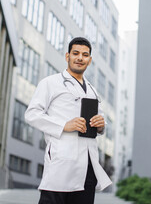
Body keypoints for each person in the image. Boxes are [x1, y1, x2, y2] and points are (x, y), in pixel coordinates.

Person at [24, 37, 112, 204]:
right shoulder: (50, 83)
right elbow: (32, 114)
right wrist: (64, 125)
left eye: (85, 55)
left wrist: (101, 126)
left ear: (90, 60)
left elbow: (99, 119)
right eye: (76, 53)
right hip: (61, 160)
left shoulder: (92, 90)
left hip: (88, 165)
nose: (80, 58)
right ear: (67, 56)